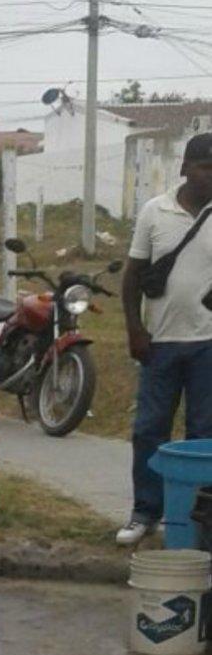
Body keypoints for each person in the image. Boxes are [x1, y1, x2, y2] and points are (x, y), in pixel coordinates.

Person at [117, 132, 212, 545]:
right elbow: (133, 275)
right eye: (205, 167)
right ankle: (145, 511)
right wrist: (135, 329)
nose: (211, 176)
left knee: (203, 434)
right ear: (185, 168)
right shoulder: (155, 212)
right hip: (159, 343)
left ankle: (197, 517)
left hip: (208, 344)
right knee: (149, 430)